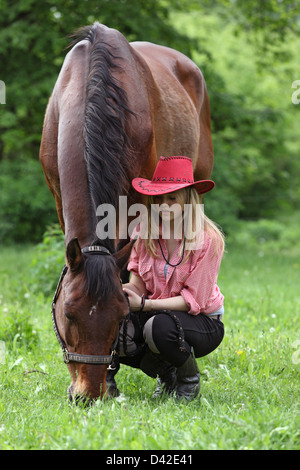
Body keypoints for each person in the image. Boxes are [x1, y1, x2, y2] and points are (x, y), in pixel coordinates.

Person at [108, 156, 225, 401]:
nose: (163, 205)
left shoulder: (208, 239)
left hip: (201, 321)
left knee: (159, 327)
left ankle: (188, 381)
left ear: (188, 200)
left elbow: (194, 301)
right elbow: (138, 283)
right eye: (158, 199)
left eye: (171, 198)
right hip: (156, 313)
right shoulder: (144, 231)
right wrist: (120, 294)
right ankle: (165, 372)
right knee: (115, 322)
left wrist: (146, 305)